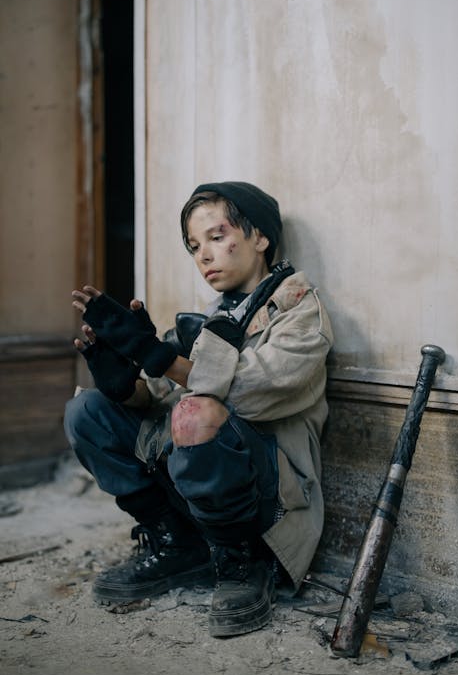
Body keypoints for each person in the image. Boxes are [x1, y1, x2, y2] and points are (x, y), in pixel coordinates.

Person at [64, 181, 333, 638]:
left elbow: (245, 392)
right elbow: (159, 397)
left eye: (216, 236)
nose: (204, 255)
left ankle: (242, 564)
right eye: (194, 246)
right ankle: (178, 544)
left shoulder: (299, 311)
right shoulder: (214, 317)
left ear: (260, 237)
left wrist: (162, 357)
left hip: (270, 500)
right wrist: (122, 383)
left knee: (198, 415)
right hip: (204, 485)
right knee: (86, 411)